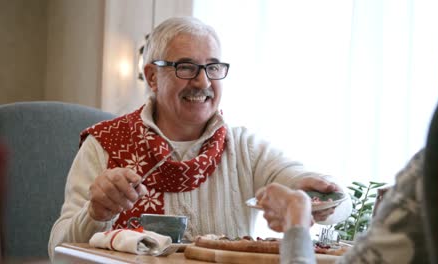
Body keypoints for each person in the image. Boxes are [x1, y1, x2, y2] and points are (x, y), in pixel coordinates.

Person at [48, 17, 351, 258]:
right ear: (152, 76)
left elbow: (333, 202)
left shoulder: (246, 148)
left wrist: (319, 197)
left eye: (213, 67)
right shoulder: (103, 145)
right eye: (187, 67)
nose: (203, 81)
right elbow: (57, 251)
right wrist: (96, 214)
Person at [257, 0, 438, 263]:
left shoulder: (437, 171)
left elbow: (324, 195)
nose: (204, 80)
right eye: (187, 66)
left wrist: (296, 222)